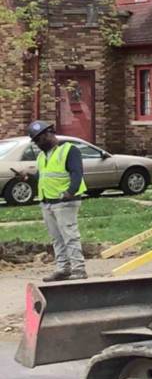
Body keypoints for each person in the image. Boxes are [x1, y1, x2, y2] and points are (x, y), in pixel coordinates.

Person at [28, 119, 87, 280]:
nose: (37, 143)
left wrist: (70, 191)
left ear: (49, 134)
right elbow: (43, 176)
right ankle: (63, 268)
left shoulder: (69, 150)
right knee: (57, 238)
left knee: (70, 235)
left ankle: (79, 269)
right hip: (47, 201)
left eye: (39, 139)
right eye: (35, 141)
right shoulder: (42, 156)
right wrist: (28, 177)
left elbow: (77, 173)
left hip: (65, 201)